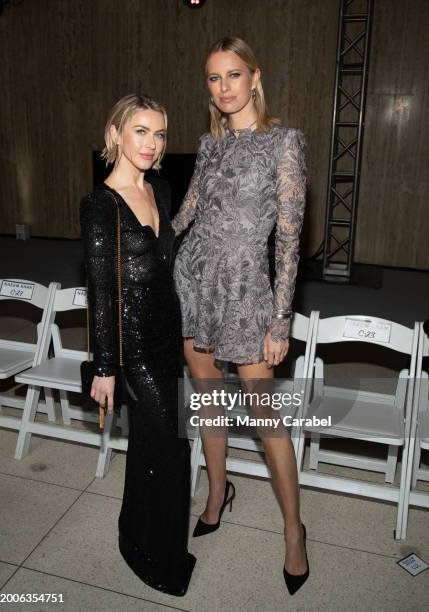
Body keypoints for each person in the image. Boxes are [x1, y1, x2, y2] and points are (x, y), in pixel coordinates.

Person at [172, 37, 309, 595]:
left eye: (233, 75)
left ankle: (294, 531)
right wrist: (145, 239)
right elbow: (188, 211)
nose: (223, 87)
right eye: (213, 78)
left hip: (249, 288)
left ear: (255, 76)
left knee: (266, 417)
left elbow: (291, 240)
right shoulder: (209, 144)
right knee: (207, 399)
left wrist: (282, 320)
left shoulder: (285, 141)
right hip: (197, 281)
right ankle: (217, 491)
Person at [80, 94, 195, 596]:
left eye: (161, 134)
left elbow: (172, 266)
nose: (152, 144)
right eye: (141, 132)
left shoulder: (162, 190)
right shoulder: (100, 205)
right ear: (116, 134)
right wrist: (105, 366)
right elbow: (102, 292)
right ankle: (155, 555)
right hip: (131, 347)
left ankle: (141, 537)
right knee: (170, 449)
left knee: (158, 445)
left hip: (168, 336)